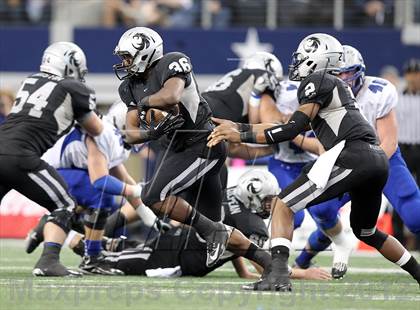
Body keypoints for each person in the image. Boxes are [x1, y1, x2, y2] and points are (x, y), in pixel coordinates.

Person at [207, 33, 420, 291]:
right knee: (367, 232)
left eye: (302, 58)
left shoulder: (318, 81)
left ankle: (277, 277)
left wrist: (240, 133)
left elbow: (289, 130)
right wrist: (241, 127)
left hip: (350, 156)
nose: (297, 62)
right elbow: (287, 125)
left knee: (282, 205)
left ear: (317, 60)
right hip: (374, 159)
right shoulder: (333, 87)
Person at [114, 26, 270, 269]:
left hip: (202, 142)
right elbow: (131, 132)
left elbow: (172, 96)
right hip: (176, 148)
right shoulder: (129, 86)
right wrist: (151, 132)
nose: (124, 62)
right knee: (211, 226)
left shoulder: (172, 63)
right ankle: (270, 263)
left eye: (127, 56)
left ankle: (213, 231)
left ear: (145, 52)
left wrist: (144, 102)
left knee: (153, 196)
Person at [0, 42, 104, 277]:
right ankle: (48, 261)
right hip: (21, 155)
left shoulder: (31, 80)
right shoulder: (74, 88)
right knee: (64, 204)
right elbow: (96, 129)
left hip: (3, 146)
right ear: (69, 64)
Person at [25, 101, 157, 274]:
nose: (142, 130)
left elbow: (124, 179)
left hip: (53, 171)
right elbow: (101, 181)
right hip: (46, 171)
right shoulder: (105, 133)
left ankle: (52, 245)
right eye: (139, 124)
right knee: (100, 194)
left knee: (86, 204)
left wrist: (151, 219)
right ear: (123, 121)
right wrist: (138, 190)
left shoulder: (116, 139)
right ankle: (92, 258)